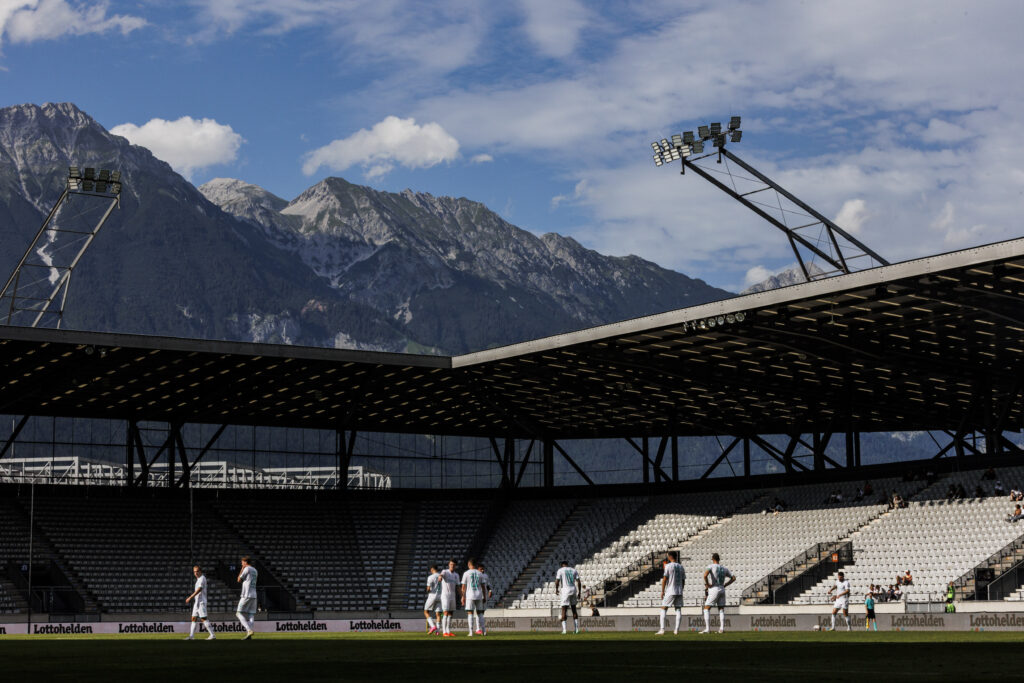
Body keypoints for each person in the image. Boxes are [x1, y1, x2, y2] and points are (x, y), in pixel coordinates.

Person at [701, 553, 734, 634]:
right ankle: (721, 629)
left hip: (714, 589)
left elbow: (705, 575)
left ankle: (707, 629)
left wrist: (708, 584)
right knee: (721, 609)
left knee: (706, 608)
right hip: (722, 589)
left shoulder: (711, 566)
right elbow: (733, 578)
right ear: (719, 559)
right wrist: (725, 584)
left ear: (712, 559)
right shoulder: (724, 568)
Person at [656, 551, 685, 635]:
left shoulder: (668, 566)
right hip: (679, 591)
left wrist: (662, 591)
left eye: (668, 556)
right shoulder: (681, 567)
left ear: (670, 556)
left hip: (670, 590)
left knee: (663, 608)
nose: (667, 557)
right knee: (678, 609)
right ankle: (676, 630)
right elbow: (683, 581)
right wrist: (681, 590)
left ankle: (662, 629)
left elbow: (665, 579)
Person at [185, 565, 216, 640]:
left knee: (203, 618)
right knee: (193, 618)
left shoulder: (202, 579)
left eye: (197, 571)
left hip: (201, 602)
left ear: (200, 571)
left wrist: (190, 597)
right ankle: (191, 636)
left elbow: (199, 589)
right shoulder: (199, 579)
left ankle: (212, 635)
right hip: (197, 603)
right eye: (194, 572)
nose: (195, 573)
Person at [555, 560, 581, 635]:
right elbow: (579, 582)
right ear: (567, 564)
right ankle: (576, 630)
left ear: (562, 565)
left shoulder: (560, 570)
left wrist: (556, 589)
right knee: (574, 609)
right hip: (573, 589)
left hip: (565, 590)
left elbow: (557, 581)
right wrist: (579, 592)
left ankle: (564, 630)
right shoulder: (573, 570)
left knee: (564, 610)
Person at [461, 558, 486, 637]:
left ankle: (471, 632)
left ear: (469, 564)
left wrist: (463, 597)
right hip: (479, 595)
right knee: (480, 613)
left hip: (470, 595)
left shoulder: (466, 573)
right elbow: (483, 587)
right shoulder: (480, 573)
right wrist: (484, 596)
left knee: (470, 613)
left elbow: (463, 587)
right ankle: (484, 631)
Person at [236, 556, 258, 640]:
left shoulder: (247, 569)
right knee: (251, 614)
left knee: (238, 613)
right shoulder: (255, 570)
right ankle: (249, 635)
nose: (241, 563)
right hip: (254, 594)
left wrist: (242, 569)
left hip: (246, 594)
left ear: (245, 562)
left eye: (242, 562)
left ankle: (249, 630)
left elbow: (238, 579)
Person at [439, 559, 460, 637]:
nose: (452, 566)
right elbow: (441, 575)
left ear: (455, 566)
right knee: (445, 612)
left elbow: (458, 586)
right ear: (449, 565)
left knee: (451, 613)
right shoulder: (445, 571)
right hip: (445, 595)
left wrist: (462, 596)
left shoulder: (456, 575)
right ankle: (444, 632)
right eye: (451, 564)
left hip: (452, 596)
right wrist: (440, 577)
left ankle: (448, 630)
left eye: (454, 564)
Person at [424, 565, 442, 635]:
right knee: (438, 614)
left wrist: (427, 591)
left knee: (426, 611)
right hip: (440, 596)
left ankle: (432, 626)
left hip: (432, 596)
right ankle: (437, 632)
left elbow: (428, 589)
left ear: (432, 569)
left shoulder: (430, 577)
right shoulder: (441, 576)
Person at [477, 562, 492, 635]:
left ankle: (481, 628)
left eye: (483, 569)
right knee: (479, 612)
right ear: (478, 569)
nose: (482, 570)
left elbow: (488, 585)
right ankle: (478, 628)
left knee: (482, 612)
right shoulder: (476, 575)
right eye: (481, 569)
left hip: (485, 595)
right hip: (479, 595)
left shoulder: (486, 576)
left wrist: (490, 590)